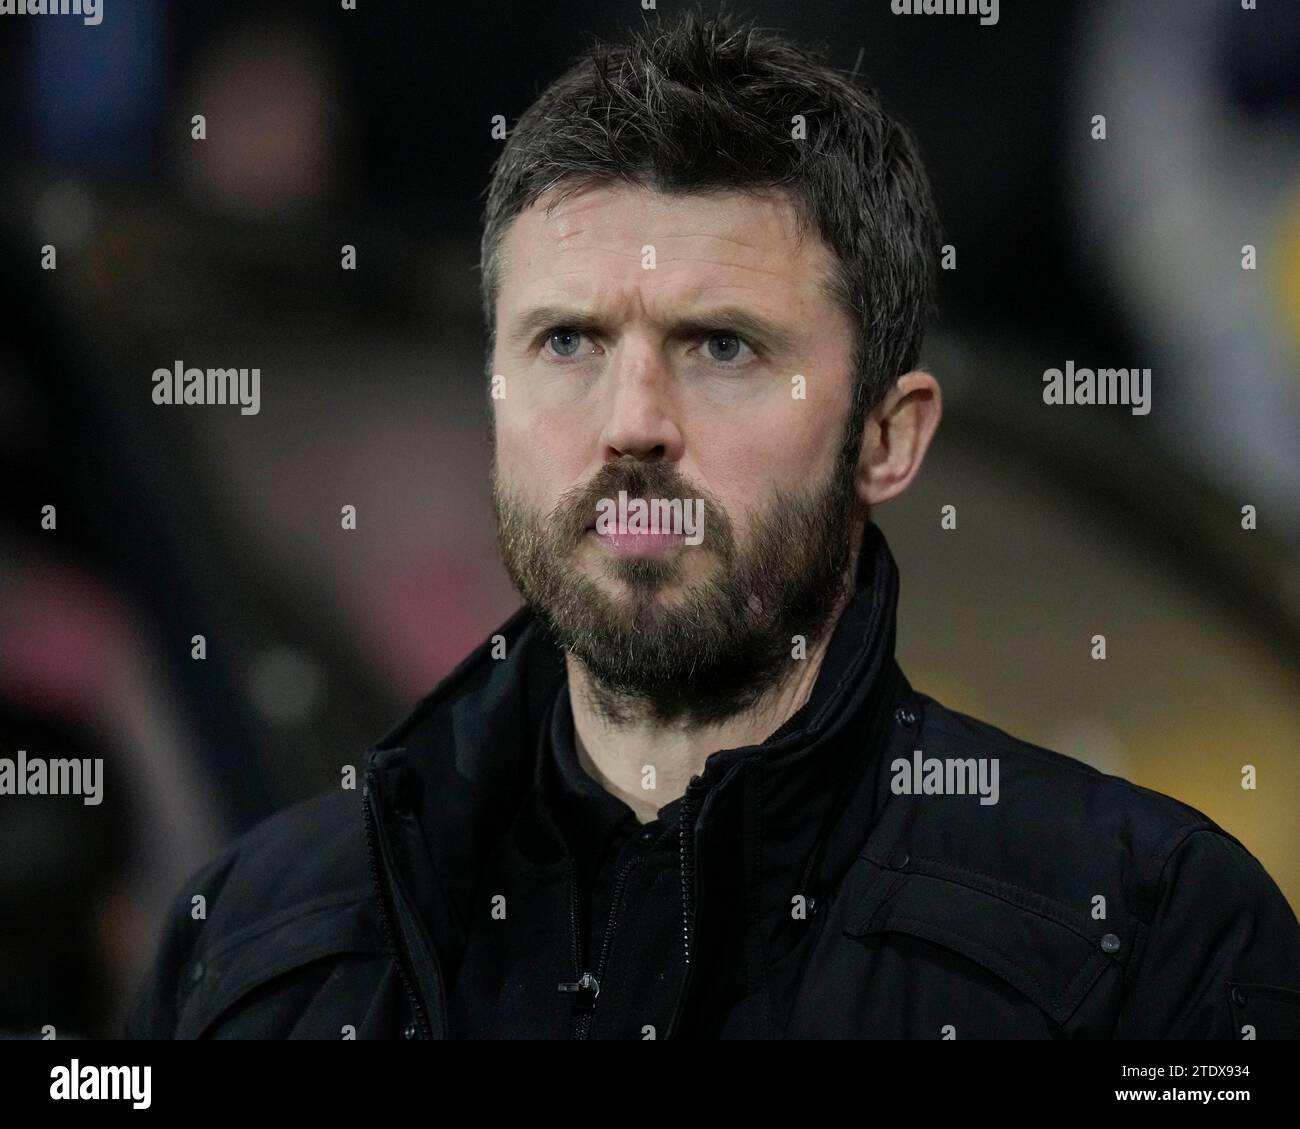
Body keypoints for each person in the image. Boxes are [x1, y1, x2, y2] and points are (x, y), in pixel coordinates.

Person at [126, 12, 1300, 1040]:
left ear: (888, 438)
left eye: (722, 347)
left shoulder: (1151, 939)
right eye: (568, 343)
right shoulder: (253, 943)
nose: (632, 423)